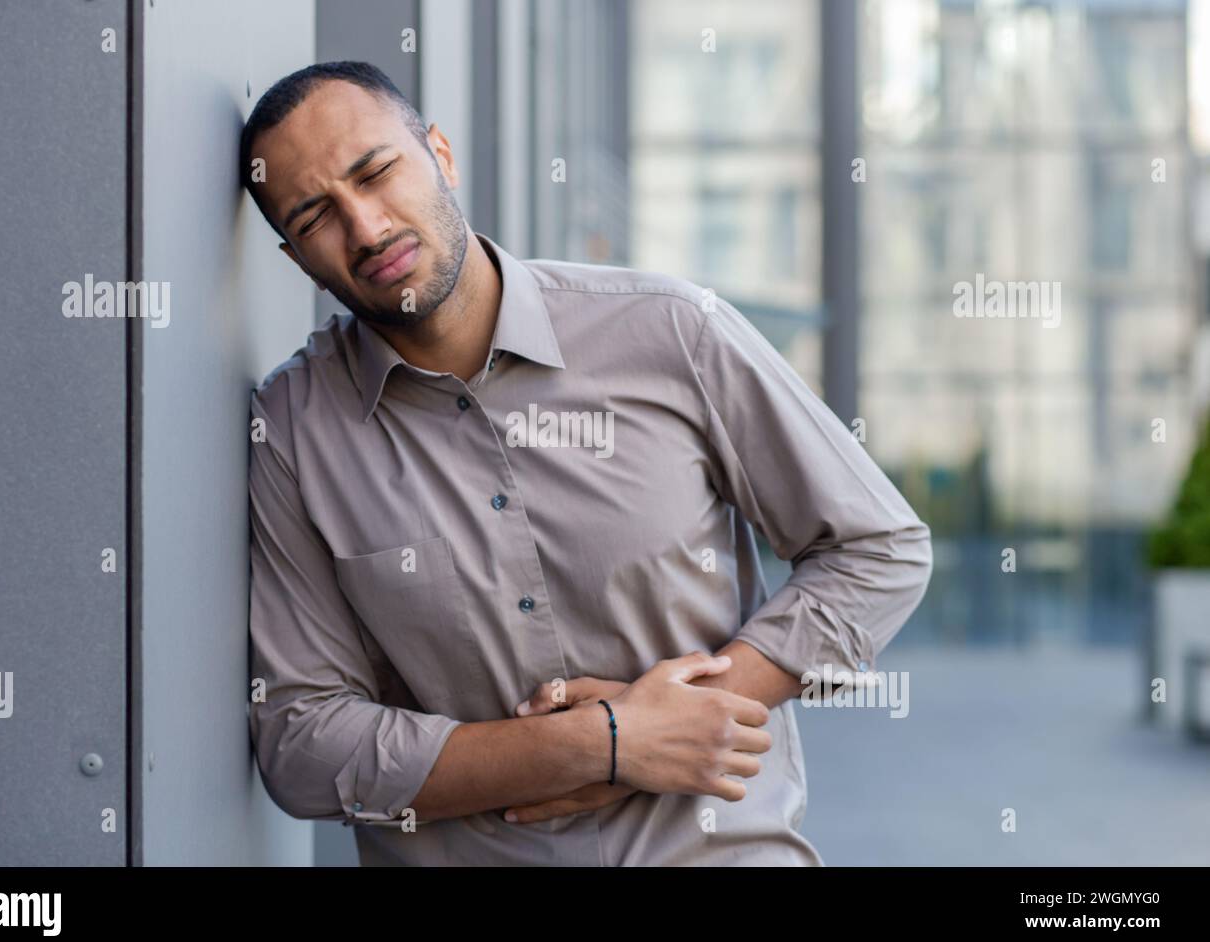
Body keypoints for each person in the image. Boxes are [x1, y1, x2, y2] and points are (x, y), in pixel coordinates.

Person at [240, 61, 933, 865]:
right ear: (294, 258)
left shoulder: (671, 332)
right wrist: (598, 747)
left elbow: (878, 548)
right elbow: (302, 741)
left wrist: (694, 715)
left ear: (441, 154)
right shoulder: (293, 431)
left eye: (376, 172)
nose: (365, 229)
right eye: (316, 214)